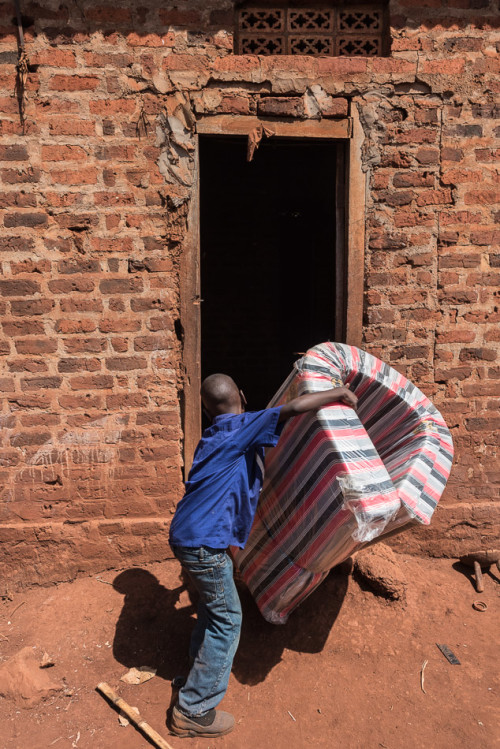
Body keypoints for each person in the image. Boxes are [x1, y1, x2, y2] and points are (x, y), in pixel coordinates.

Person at [168, 373, 357, 738]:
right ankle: (194, 709)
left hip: (186, 536)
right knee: (228, 619)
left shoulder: (212, 436)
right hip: (203, 544)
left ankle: (197, 675)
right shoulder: (243, 425)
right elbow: (294, 407)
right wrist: (340, 392)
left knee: (211, 609)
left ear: (207, 413)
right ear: (241, 394)